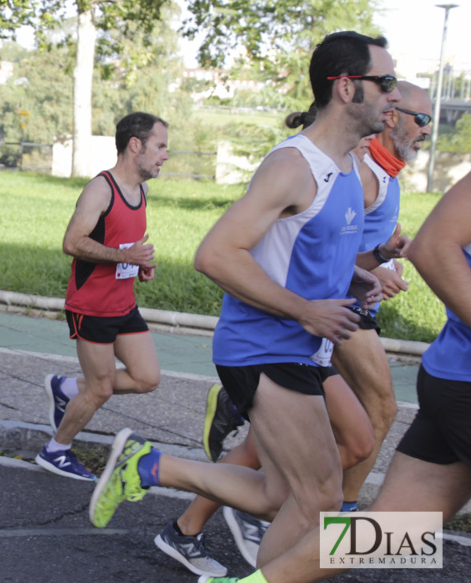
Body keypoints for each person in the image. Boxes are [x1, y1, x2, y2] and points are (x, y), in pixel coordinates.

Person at [87, 31, 397, 578]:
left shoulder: (347, 168)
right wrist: (304, 310)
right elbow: (216, 254)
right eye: (386, 83)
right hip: (267, 346)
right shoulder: (294, 165)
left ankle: (150, 465)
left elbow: (299, 245)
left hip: (306, 349)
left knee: (284, 494)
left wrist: (356, 277)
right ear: (347, 87)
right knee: (320, 500)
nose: (393, 98)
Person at [212, 170, 471, 583]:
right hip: (461, 381)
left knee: (396, 530)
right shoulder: (302, 165)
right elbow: (433, 246)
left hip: (453, 377)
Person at [36, 112, 166, 481]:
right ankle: (55, 450)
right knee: (101, 388)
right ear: (135, 145)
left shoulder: (138, 190)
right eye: (160, 146)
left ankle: (65, 389)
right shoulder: (101, 189)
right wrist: (125, 256)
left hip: (123, 303)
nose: (166, 155)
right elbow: (72, 243)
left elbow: (121, 241)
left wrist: (137, 263)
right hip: (91, 306)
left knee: (147, 377)